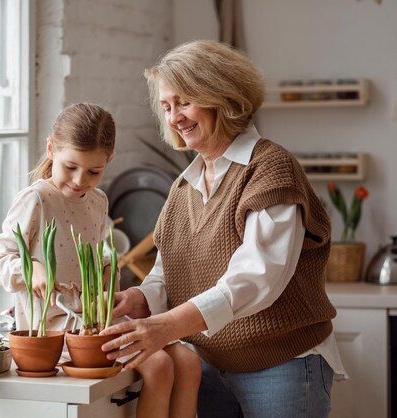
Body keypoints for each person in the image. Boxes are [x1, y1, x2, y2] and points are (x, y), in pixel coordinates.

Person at [100, 40, 347, 418]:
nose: (173, 118)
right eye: (166, 106)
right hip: (209, 367)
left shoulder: (270, 169)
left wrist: (164, 326)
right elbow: (169, 272)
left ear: (221, 96)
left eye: (184, 102)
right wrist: (140, 300)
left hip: (282, 366)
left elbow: (255, 279)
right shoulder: (185, 185)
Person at [0, 102, 199, 418]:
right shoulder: (36, 199)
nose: (79, 180)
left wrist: (104, 275)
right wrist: (32, 270)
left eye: (94, 171)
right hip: (57, 328)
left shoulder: (98, 200)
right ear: (51, 149)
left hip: (95, 318)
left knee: (188, 361)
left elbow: (99, 254)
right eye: (70, 166)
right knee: (159, 365)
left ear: (108, 162)